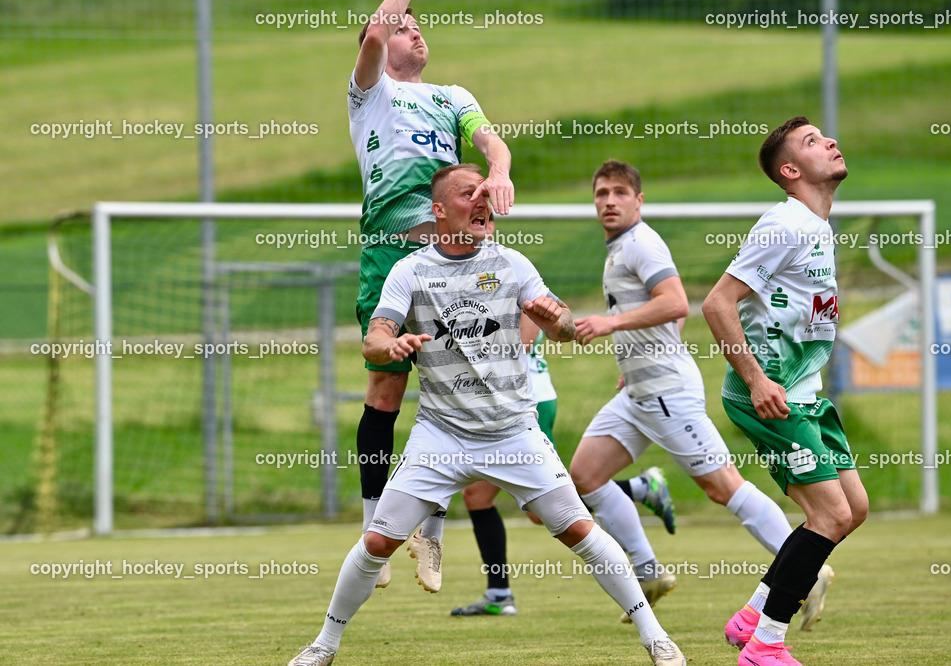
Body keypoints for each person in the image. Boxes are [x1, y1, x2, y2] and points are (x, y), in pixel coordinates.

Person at [288, 164, 685, 666]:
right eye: (467, 194)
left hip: (514, 432)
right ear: (438, 210)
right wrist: (390, 344)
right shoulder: (409, 270)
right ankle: (323, 645)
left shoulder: (513, 263)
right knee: (376, 542)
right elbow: (375, 336)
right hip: (441, 435)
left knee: (580, 532)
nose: (482, 200)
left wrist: (558, 321)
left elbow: (563, 327)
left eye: (484, 193)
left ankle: (656, 639)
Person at [569, 160, 795, 623]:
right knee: (585, 475)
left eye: (619, 192)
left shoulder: (641, 242)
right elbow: (662, 315)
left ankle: (804, 568)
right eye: (601, 193)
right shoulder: (619, 248)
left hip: (668, 391)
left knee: (722, 486)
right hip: (638, 391)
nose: (609, 201)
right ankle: (648, 572)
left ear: (638, 201)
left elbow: (676, 303)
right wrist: (635, 355)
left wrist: (611, 324)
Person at [348, 0, 514, 592]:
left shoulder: (452, 96)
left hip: (451, 264)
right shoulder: (370, 93)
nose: (414, 31)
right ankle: (374, 529)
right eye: (403, 27)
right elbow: (374, 30)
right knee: (385, 390)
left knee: (454, 393)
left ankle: (432, 534)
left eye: (418, 26)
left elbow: (490, 139)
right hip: (389, 255)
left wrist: (497, 169)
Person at [702, 117, 869, 666]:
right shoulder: (785, 223)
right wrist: (756, 380)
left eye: (825, 136)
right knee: (831, 516)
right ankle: (765, 646)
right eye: (813, 142)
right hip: (770, 396)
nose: (831, 142)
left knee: (853, 509)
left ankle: (752, 616)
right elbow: (717, 304)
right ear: (791, 171)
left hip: (804, 393)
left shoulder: (816, 224)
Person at [450, 217, 676, 618]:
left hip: (529, 404)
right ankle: (499, 595)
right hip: (500, 406)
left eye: (485, 222)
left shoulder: (511, 274)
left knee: (542, 510)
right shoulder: (465, 280)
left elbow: (516, 345)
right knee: (478, 496)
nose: (477, 231)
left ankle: (640, 489)